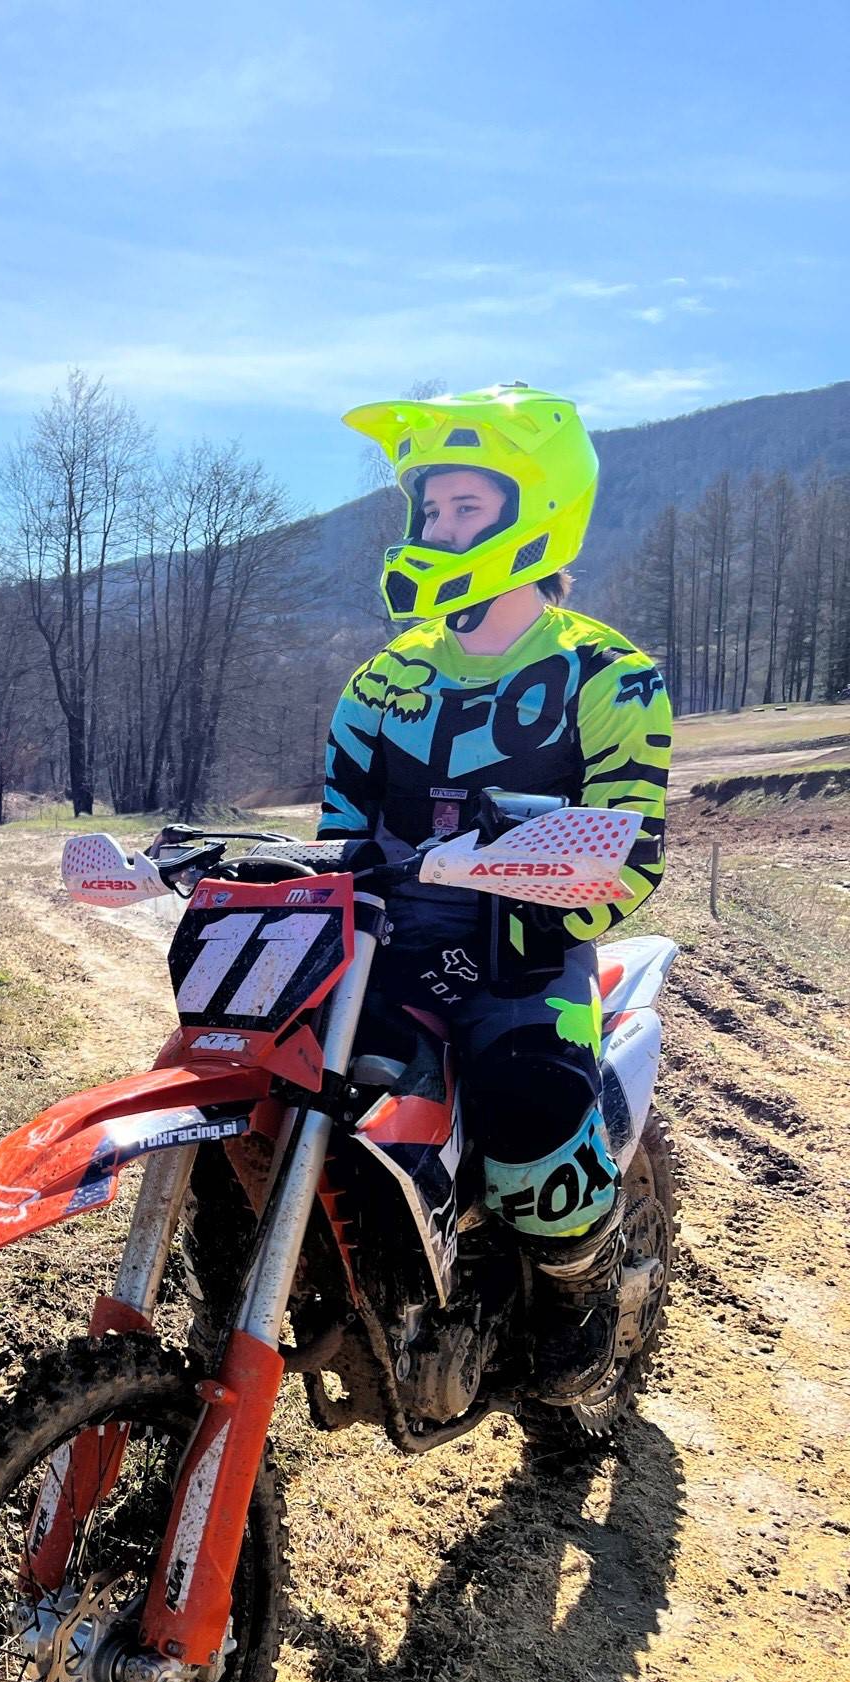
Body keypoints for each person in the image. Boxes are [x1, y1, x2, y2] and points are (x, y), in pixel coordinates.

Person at [321, 383, 671, 1404]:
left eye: (466, 507)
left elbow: (632, 850)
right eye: (430, 510)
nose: (438, 527)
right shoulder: (381, 682)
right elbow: (340, 839)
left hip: (529, 951)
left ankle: (581, 1293)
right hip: (395, 949)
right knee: (296, 1088)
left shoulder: (609, 674)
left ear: (537, 511)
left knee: (530, 1114)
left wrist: (519, 892)